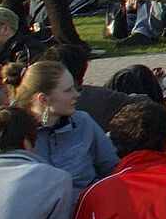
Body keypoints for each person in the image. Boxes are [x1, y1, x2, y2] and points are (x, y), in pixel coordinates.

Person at [15, 59, 117, 190]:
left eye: (74, 88)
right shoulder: (16, 132)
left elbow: (113, 168)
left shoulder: (83, 122)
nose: (76, 94)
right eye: (68, 90)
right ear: (43, 99)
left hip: (89, 204)